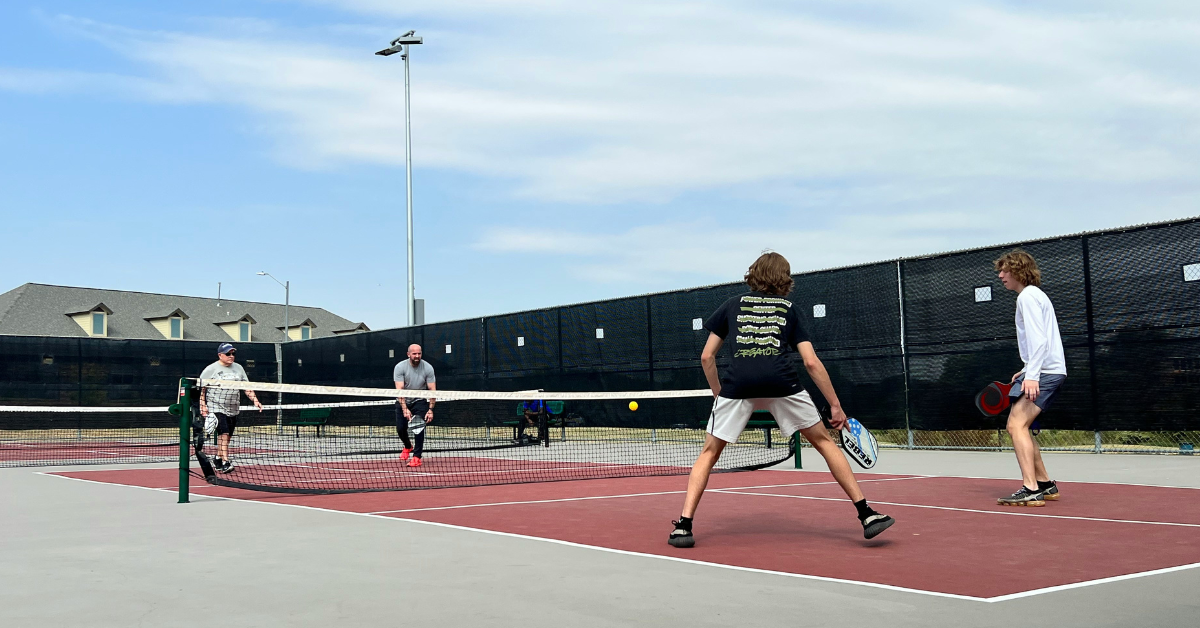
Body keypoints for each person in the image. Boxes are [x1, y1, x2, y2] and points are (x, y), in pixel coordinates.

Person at [668, 252, 894, 548]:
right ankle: (866, 514)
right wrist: (835, 405)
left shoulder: (731, 305)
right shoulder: (790, 309)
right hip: (782, 382)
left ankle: (684, 526)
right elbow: (811, 362)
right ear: (785, 278)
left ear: (754, 274)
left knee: (709, 453)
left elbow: (706, 357)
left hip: (738, 385)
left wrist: (718, 393)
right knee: (824, 442)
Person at [995, 249, 1067, 507]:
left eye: (1005, 270)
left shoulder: (1027, 297)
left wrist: (1033, 375)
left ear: (1018, 270)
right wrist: (1027, 369)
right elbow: (1040, 341)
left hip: (1045, 373)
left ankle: (1031, 489)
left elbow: (1040, 340)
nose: (1001, 275)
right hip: (1046, 370)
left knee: (1015, 426)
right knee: (1020, 426)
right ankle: (1045, 484)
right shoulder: (1034, 295)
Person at [198, 342, 263, 473]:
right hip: (215, 406)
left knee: (227, 437)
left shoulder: (239, 368)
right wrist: (202, 405)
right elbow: (201, 389)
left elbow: (246, 386)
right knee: (224, 433)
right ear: (220, 355)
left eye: (233, 353)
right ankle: (225, 462)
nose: (231, 356)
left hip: (233, 407)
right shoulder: (211, 369)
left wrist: (255, 400)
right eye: (228, 354)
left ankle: (218, 458)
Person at [394, 343, 436, 468]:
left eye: (419, 353)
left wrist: (430, 409)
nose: (417, 356)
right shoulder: (400, 367)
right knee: (400, 429)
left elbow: (432, 390)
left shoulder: (428, 368)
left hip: (419, 400)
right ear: (408, 354)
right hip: (403, 400)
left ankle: (417, 457)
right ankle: (408, 446)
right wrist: (405, 409)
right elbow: (400, 390)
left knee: (419, 428)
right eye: (414, 354)